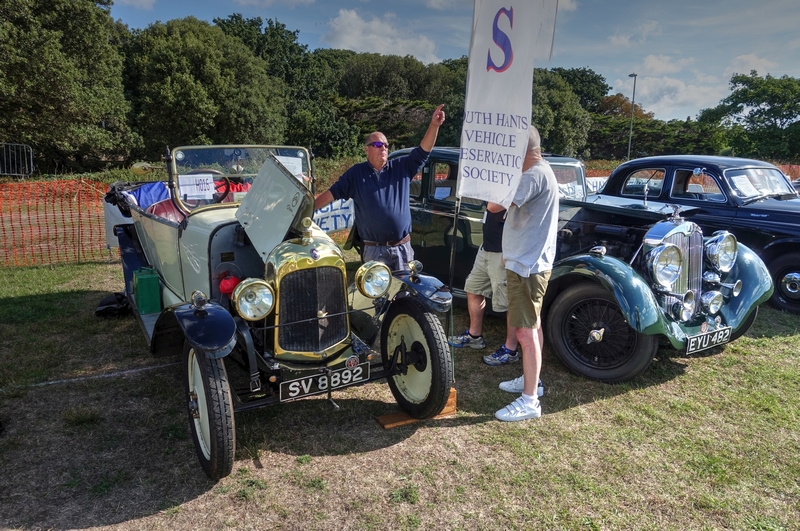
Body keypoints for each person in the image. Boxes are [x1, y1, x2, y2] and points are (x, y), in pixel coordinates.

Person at [314, 105, 446, 271]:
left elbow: (423, 151)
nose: (383, 148)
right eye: (377, 144)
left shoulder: (401, 167)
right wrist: (309, 209)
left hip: (402, 249)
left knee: (404, 294)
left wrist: (434, 125)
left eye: (386, 145)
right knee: (376, 296)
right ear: (366, 149)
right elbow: (332, 194)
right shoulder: (356, 173)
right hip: (374, 251)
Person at [495, 126, 559, 422]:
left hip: (527, 266)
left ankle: (530, 400)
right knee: (532, 326)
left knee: (524, 330)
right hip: (530, 263)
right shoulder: (541, 171)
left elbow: (494, 205)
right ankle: (533, 381)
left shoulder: (533, 175)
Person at [447, 201, 545, 396]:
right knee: (473, 288)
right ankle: (474, 336)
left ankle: (510, 350)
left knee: (510, 303)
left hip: (504, 252)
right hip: (486, 248)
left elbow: (493, 206)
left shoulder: (511, 186)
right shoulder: (499, 186)